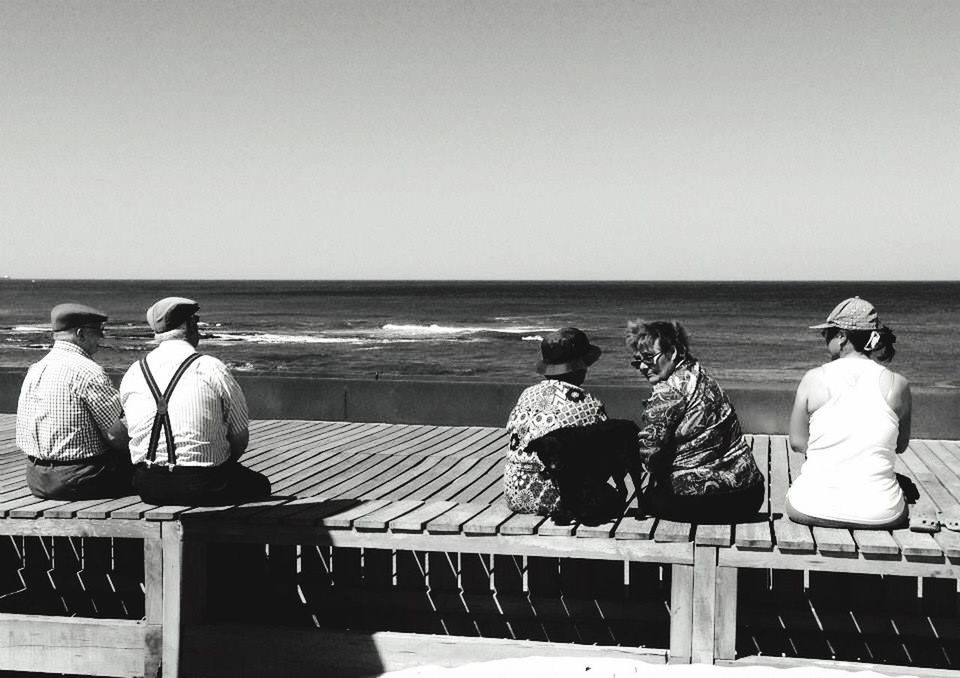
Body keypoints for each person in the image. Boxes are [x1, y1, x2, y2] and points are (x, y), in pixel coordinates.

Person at [119, 297, 270, 506]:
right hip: (204, 483)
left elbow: (128, 428)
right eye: (195, 321)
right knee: (260, 485)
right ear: (190, 326)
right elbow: (240, 436)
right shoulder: (210, 368)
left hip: (149, 486)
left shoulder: (135, 371)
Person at [786, 296, 910, 529]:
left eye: (827, 333)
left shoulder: (813, 378)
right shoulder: (898, 384)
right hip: (880, 513)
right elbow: (900, 446)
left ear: (842, 336)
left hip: (810, 506)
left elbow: (797, 442)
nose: (823, 338)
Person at [626, 320, 764, 523]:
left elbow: (649, 452)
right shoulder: (701, 376)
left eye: (649, 358)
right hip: (750, 494)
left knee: (648, 498)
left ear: (672, 352)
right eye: (637, 361)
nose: (644, 367)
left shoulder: (668, 391)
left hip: (701, 499)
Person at [504, 327, 638, 523]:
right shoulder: (586, 402)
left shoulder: (526, 395)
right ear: (579, 366)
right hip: (564, 499)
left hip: (515, 492)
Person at [16, 303, 132, 499]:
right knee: (149, 472)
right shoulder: (88, 372)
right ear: (81, 334)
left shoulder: (36, 368)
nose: (102, 338)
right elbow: (116, 438)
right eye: (98, 331)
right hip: (79, 478)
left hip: (36, 477)